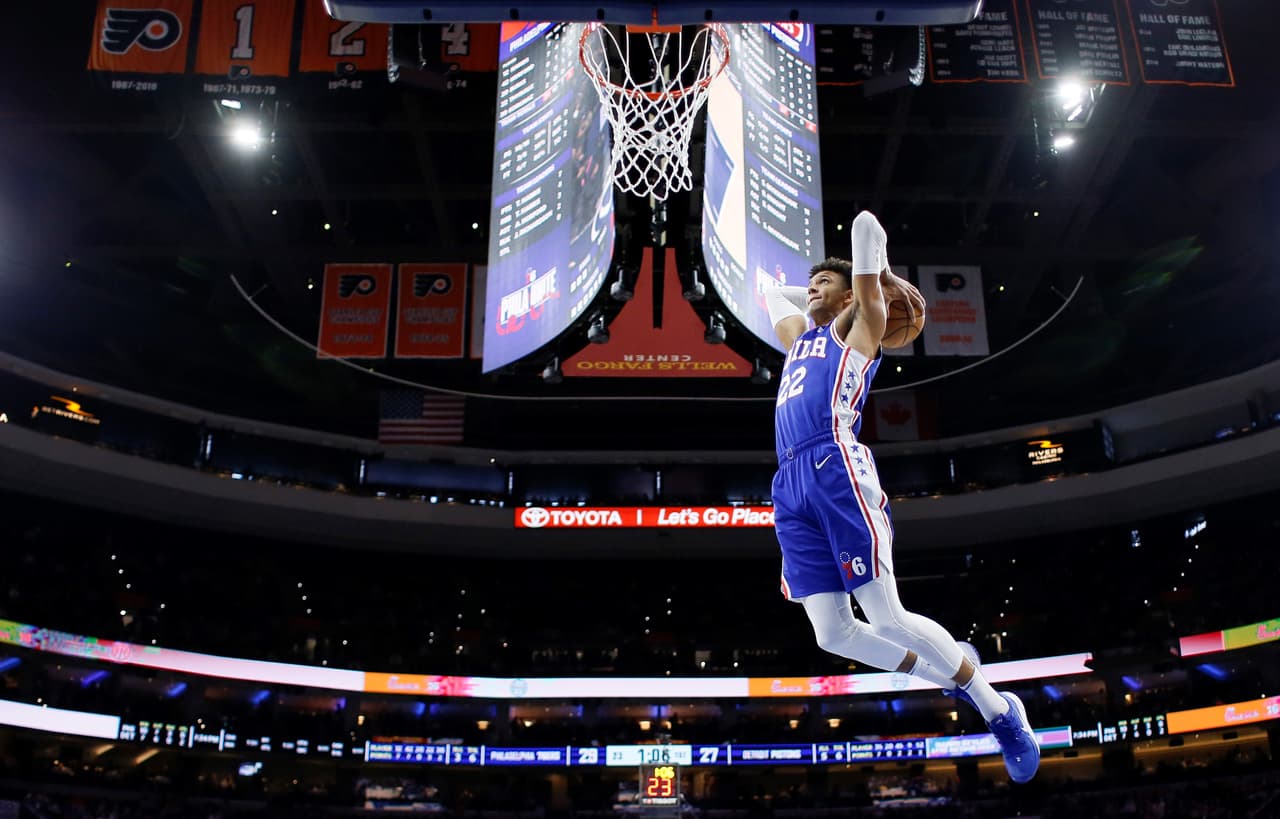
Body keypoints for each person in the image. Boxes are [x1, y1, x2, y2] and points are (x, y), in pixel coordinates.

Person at [762, 210, 1040, 784]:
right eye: (809, 283)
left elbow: (864, 224)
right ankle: (950, 670)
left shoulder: (856, 326)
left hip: (834, 464)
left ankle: (998, 708)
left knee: (886, 616)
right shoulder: (800, 340)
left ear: (849, 298)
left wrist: (871, 280)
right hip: (788, 481)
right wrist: (816, 289)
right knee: (832, 633)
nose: (810, 288)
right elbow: (770, 293)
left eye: (824, 283)